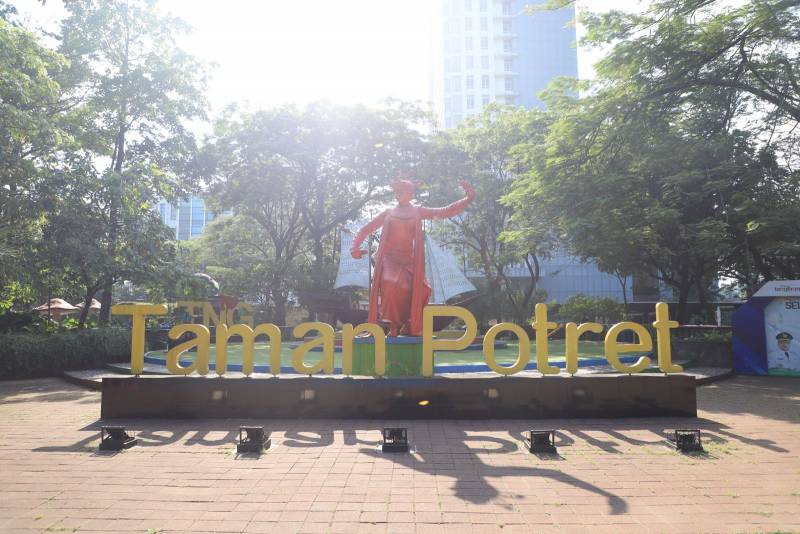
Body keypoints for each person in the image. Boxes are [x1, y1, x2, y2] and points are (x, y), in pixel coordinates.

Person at [350, 179, 475, 336]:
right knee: (390, 283)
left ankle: (408, 325)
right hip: (390, 259)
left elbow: (445, 211)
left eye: (401, 191)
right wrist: (354, 247)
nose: (397, 194)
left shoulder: (418, 211)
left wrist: (467, 198)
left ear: (410, 193)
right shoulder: (388, 212)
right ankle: (391, 325)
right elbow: (365, 229)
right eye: (396, 192)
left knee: (421, 290)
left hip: (409, 261)